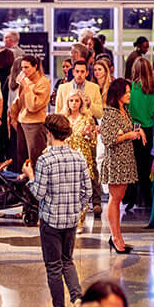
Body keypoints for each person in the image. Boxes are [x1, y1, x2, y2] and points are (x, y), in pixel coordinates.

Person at [24, 114, 90, 307]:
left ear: (49, 133)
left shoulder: (44, 160)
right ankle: (78, 299)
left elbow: (39, 193)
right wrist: (76, 209)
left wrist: (30, 176)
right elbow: (87, 192)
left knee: (53, 267)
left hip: (51, 220)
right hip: (71, 220)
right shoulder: (78, 157)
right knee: (67, 261)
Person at [99, 78, 142, 255]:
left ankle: (117, 236)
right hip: (116, 161)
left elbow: (126, 130)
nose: (129, 95)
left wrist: (137, 132)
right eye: (126, 92)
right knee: (115, 199)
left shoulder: (125, 111)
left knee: (119, 198)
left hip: (125, 160)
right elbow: (108, 140)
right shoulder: (110, 113)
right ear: (117, 94)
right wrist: (128, 135)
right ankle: (115, 238)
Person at [128, 57, 154, 211]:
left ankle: (132, 198)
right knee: (146, 165)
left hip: (133, 128)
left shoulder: (131, 89)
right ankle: (147, 199)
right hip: (148, 129)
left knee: (132, 164)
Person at [11, 53, 50, 170]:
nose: (24, 70)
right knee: (21, 158)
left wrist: (27, 87)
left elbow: (33, 106)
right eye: (22, 67)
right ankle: (23, 185)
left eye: (27, 67)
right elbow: (19, 101)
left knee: (35, 157)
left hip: (35, 123)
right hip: (22, 122)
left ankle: (36, 185)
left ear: (35, 66)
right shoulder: (26, 81)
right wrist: (13, 117)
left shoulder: (42, 82)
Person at [64, 92, 98, 221]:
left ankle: (80, 218)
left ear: (81, 103)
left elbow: (93, 141)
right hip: (66, 157)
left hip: (82, 156)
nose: (74, 103)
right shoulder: (63, 119)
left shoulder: (87, 118)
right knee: (67, 189)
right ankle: (69, 218)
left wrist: (88, 135)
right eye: (71, 100)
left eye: (76, 101)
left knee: (80, 189)